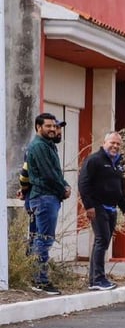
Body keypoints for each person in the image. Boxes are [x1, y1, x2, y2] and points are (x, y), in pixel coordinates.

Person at [26, 113, 71, 295]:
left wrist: (63, 185)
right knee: (44, 239)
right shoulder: (39, 146)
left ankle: (32, 276)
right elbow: (48, 174)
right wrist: (63, 189)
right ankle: (40, 280)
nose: (53, 129)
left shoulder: (48, 145)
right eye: (48, 126)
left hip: (45, 197)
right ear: (38, 127)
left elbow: (54, 172)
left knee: (38, 238)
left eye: (54, 126)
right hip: (45, 197)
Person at [78, 131, 125, 291]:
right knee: (102, 239)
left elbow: (119, 188)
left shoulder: (119, 163)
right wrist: (89, 206)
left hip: (112, 208)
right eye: (112, 143)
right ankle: (99, 279)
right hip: (97, 207)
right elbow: (83, 183)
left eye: (118, 144)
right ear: (104, 142)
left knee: (103, 242)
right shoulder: (94, 160)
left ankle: (94, 280)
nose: (115, 146)